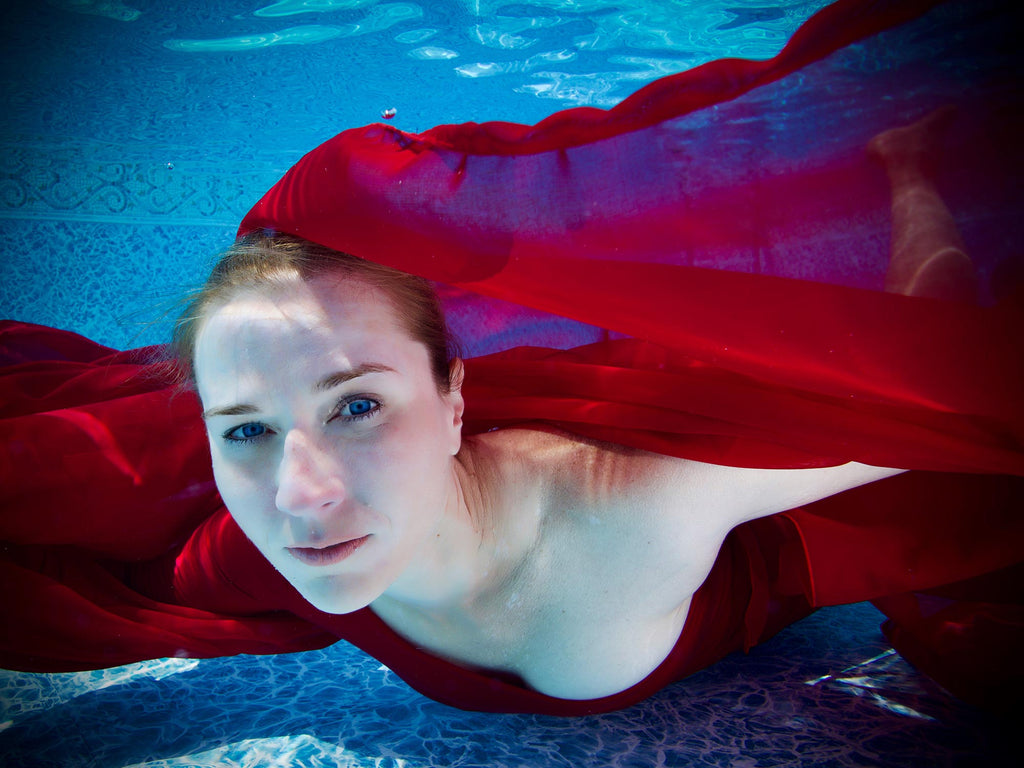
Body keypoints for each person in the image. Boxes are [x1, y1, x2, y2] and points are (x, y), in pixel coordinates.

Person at [2, 0, 1021, 716]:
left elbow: (939, 383)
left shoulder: (637, 504)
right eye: (247, 431)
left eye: (355, 407)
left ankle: (907, 163)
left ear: (454, 404)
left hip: (761, 545)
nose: (300, 494)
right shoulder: (258, 540)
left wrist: (913, 185)